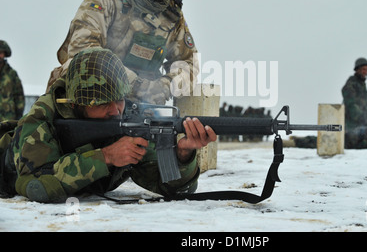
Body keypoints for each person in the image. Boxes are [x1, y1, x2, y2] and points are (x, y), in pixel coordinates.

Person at [0, 48, 216, 202]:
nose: (115, 110)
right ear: (76, 103)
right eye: (103, 103)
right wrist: (105, 157)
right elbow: (36, 186)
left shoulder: (127, 119)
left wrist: (182, 155)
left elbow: (174, 190)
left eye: (120, 99)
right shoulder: (40, 120)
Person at [46, 0, 198, 105]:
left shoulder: (171, 16)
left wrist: (164, 86)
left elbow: (189, 64)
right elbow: (83, 51)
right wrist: (136, 84)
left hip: (141, 108)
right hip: (90, 100)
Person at [342, 58, 367, 131]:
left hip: (360, 124)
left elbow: (364, 106)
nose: (366, 72)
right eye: (363, 69)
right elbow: (351, 104)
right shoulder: (351, 83)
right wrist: (361, 117)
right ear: (357, 70)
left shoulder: (362, 85)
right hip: (350, 125)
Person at [0, 40, 25, 121]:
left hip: (8, 118)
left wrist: (19, 115)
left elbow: (19, 95)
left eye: (1, 52)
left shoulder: (11, 74)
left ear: (5, 54)